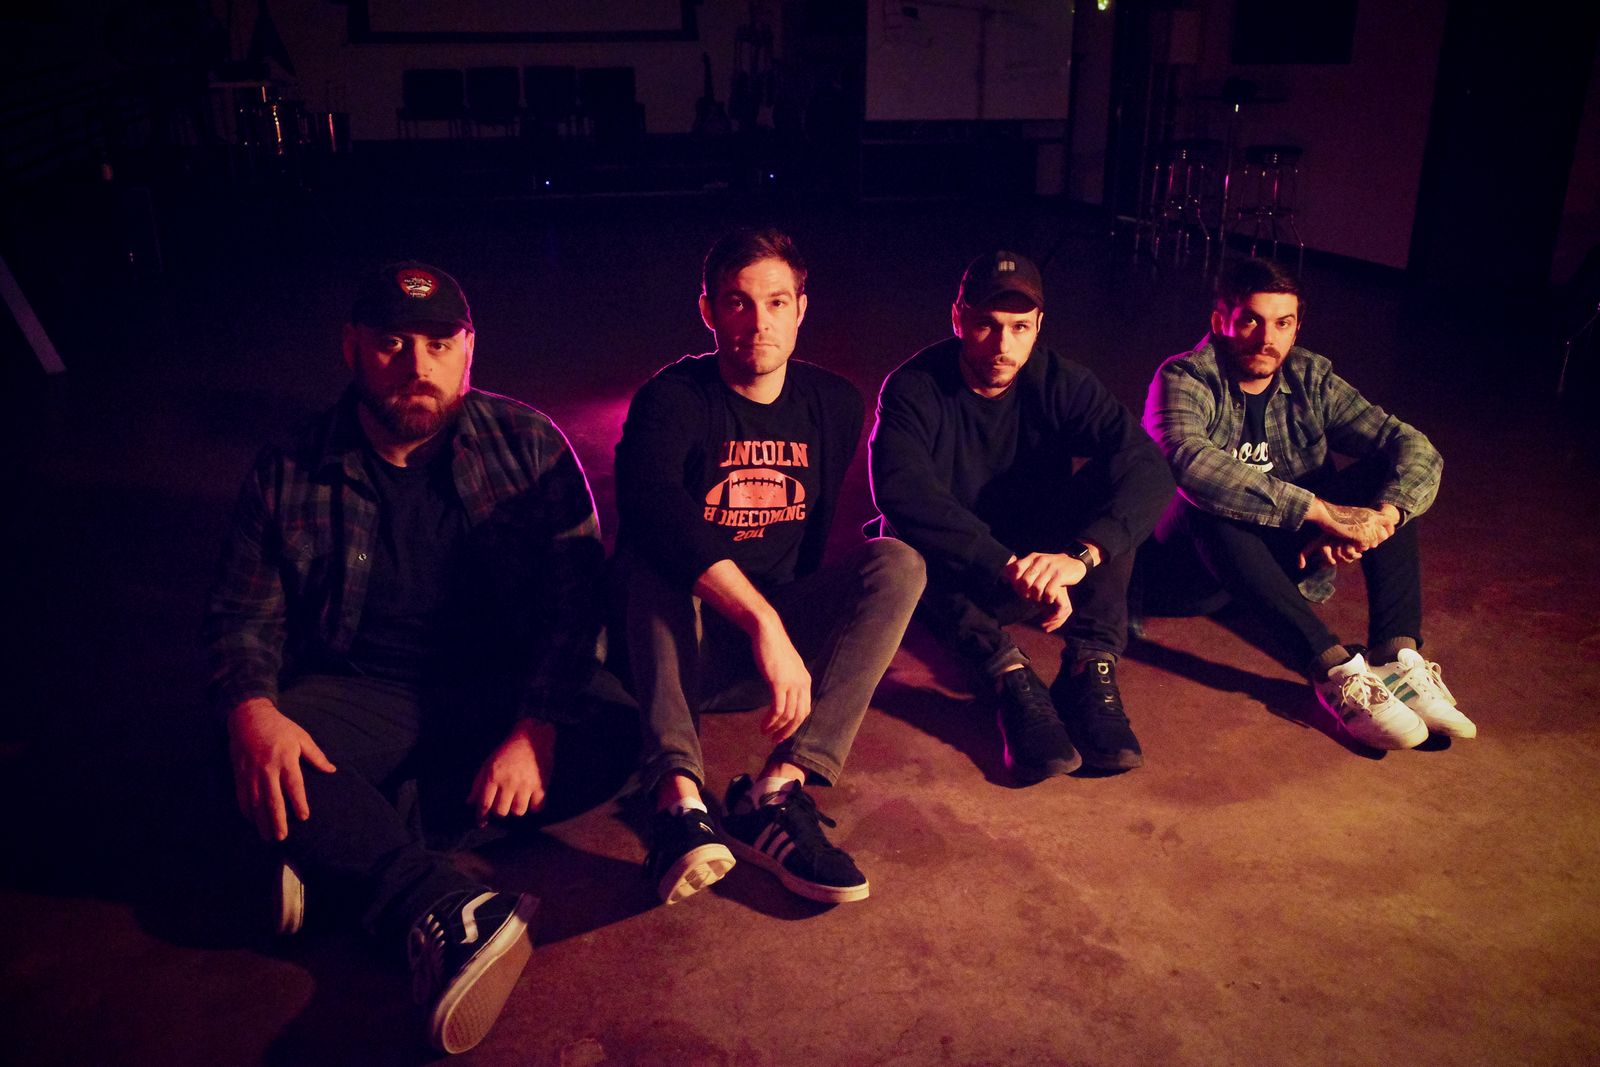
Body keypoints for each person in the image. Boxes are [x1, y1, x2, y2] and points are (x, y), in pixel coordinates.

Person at [205, 261, 608, 1054]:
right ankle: (443, 904)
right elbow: (240, 617)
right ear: (352, 347)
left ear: (468, 350)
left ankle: (333, 845)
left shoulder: (526, 442)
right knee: (244, 752)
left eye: (438, 344)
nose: (417, 365)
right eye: (392, 343)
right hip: (364, 692)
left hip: (501, 689)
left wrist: (535, 726)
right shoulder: (290, 464)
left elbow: (578, 602)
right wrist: (252, 712)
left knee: (621, 732)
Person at [613, 228, 924, 906]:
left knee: (896, 562)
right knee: (653, 553)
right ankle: (677, 803)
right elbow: (655, 511)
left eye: (777, 302)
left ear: (801, 309)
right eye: (738, 302)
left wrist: (781, 632)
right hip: (677, 649)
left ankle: (775, 795)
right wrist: (764, 624)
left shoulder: (833, 404)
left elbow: (815, 546)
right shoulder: (672, 399)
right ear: (708, 310)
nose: (759, 322)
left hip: (770, 662)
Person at [1141, 257, 1475, 748]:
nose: (1266, 338)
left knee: (1388, 479)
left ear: (1297, 327)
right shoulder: (1185, 378)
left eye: (1283, 323)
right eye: (1250, 320)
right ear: (1219, 321)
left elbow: (1412, 445)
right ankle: (1335, 673)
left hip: (1282, 559)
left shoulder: (1310, 376)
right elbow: (1191, 461)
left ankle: (1395, 656)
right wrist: (1325, 515)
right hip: (1188, 571)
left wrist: (1380, 519)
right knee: (1206, 500)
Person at [868, 251, 1173, 783]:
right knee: (904, 542)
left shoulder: (1060, 381)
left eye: (1019, 328)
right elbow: (900, 490)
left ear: (1038, 326)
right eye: (986, 325)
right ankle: (1008, 675)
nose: (1002, 346)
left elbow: (1146, 465)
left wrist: (1080, 557)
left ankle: (1091, 663)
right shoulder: (914, 387)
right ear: (958, 318)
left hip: (1043, 561)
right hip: (965, 569)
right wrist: (1005, 564)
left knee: (1117, 489)